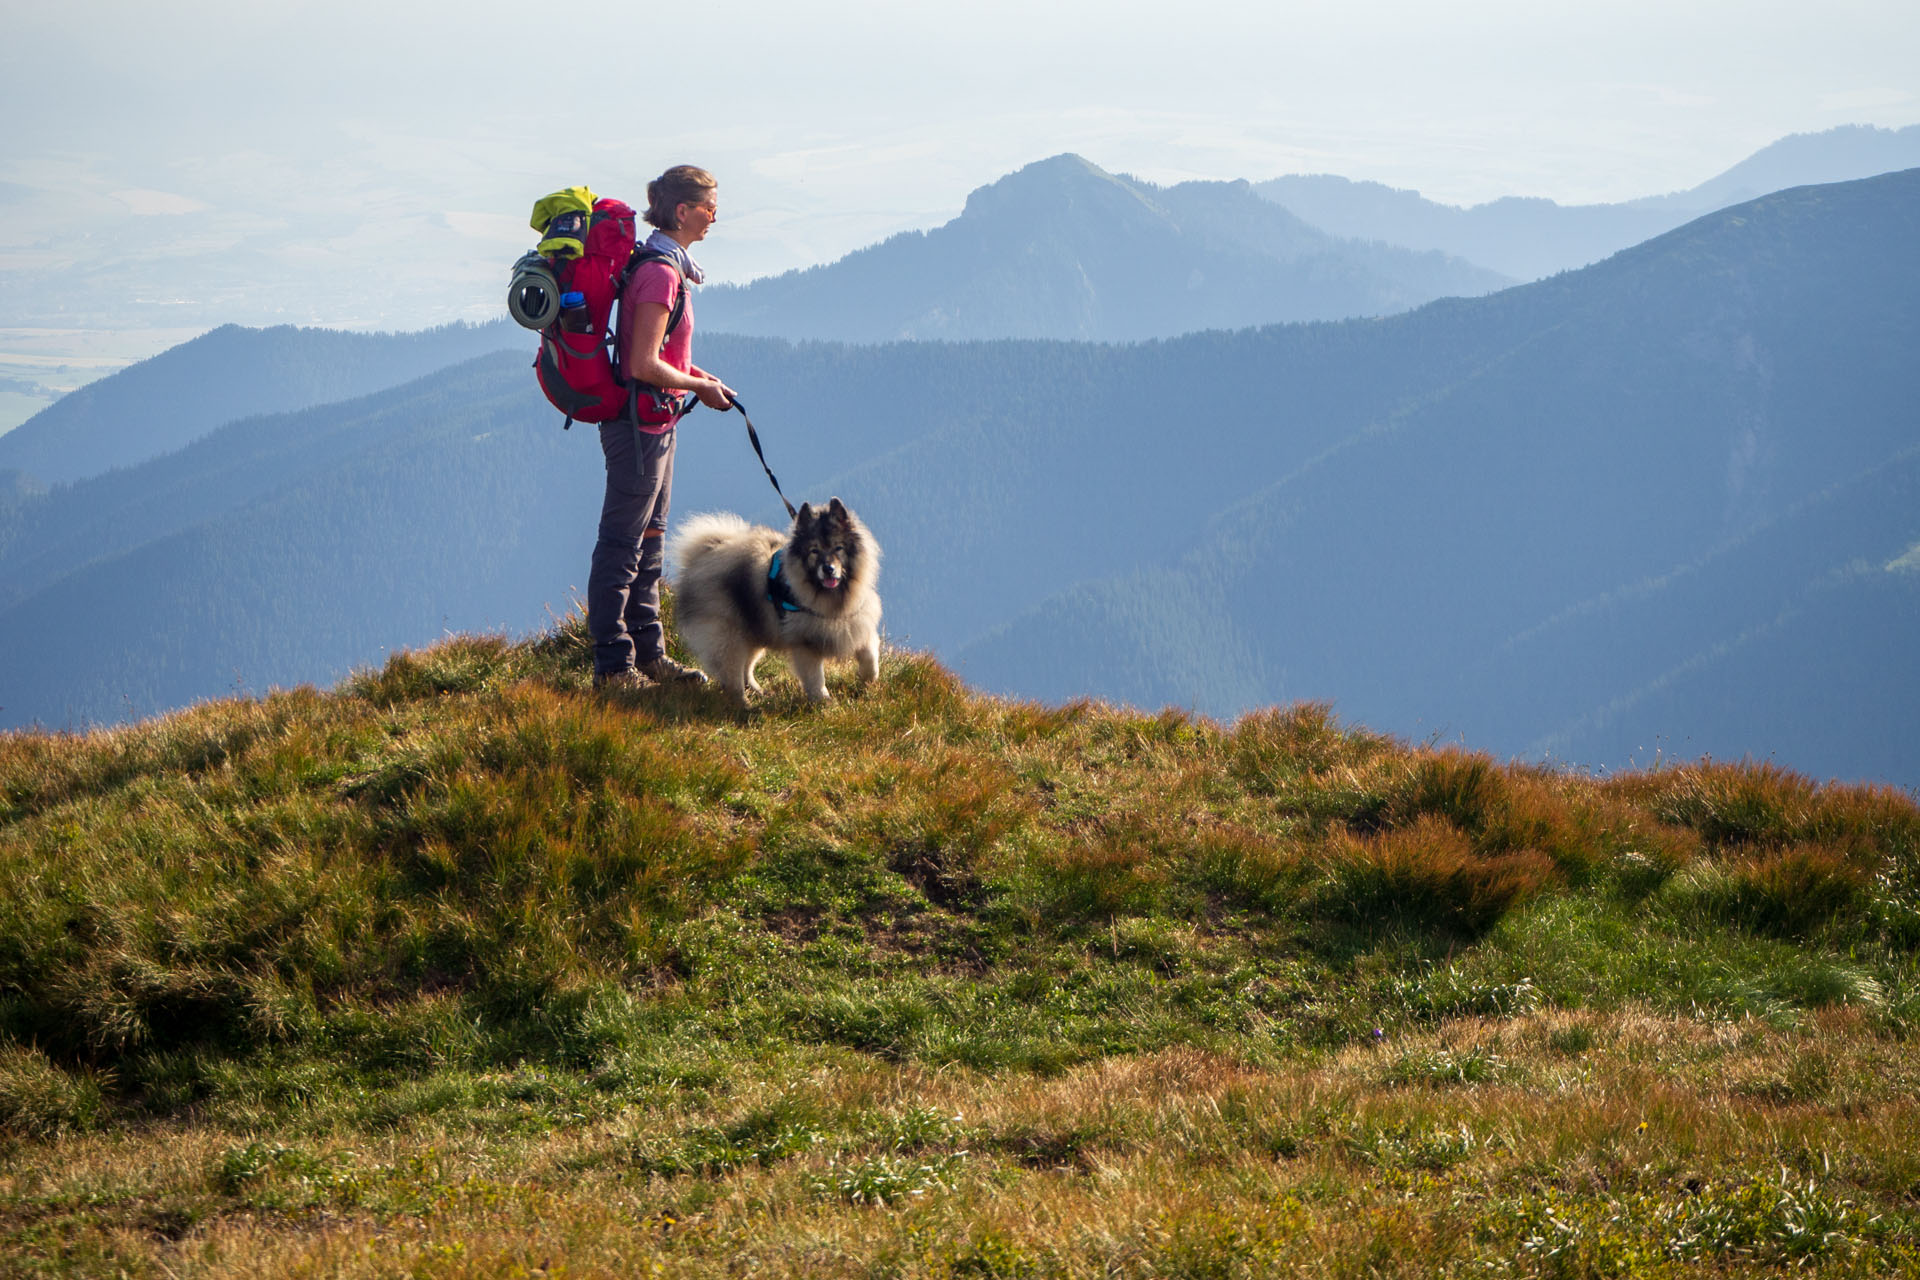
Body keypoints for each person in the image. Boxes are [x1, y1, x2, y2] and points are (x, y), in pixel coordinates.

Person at [588, 165, 736, 690]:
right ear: (682, 211)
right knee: (623, 543)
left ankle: (650, 656)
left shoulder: (669, 264)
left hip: (657, 420)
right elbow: (641, 363)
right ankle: (614, 666)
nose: (715, 216)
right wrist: (696, 388)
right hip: (637, 426)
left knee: (650, 539)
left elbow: (661, 355)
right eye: (709, 207)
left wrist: (699, 375)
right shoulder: (660, 273)